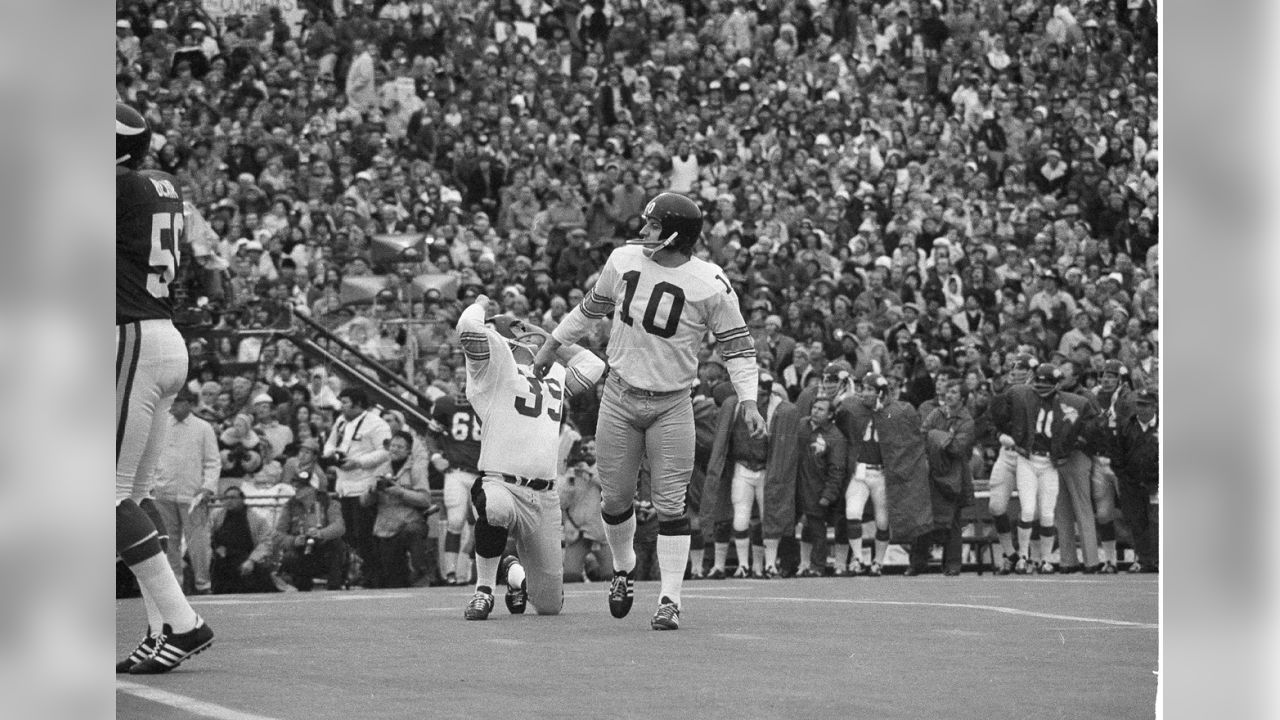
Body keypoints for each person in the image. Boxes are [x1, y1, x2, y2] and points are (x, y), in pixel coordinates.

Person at [532, 192, 765, 631]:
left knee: (671, 504)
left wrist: (749, 400)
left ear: (676, 233)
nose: (643, 233)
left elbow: (738, 348)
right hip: (619, 396)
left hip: (672, 402)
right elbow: (589, 310)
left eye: (654, 226)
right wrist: (550, 345)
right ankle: (623, 568)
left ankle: (670, 599)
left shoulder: (711, 282)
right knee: (615, 498)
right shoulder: (623, 261)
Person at [115, 102, 214, 674]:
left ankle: (182, 620)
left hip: (131, 336)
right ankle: (161, 632)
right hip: (162, 335)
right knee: (134, 494)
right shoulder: (159, 184)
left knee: (102, 495)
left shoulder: (119, 187)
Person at [455, 295, 605, 620]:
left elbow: (594, 366)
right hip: (501, 484)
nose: (523, 332)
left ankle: (513, 574)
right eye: (516, 329)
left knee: (550, 605)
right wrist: (482, 303)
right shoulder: (492, 374)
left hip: (545, 495)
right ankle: (483, 590)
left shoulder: (552, 373)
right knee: (494, 509)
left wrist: (552, 342)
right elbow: (468, 327)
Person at [990, 364, 1097, 574]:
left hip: (1049, 462)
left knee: (1047, 514)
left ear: (1056, 384)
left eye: (1046, 382)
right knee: (1028, 510)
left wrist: (1072, 445)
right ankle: (1022, 556)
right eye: (1038, 381)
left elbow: (1090, 419)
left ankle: (1046, 560)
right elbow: (998, 414)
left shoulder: (1069, 402)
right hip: (1027, 458)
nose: (1041, 386)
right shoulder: (1022, 395)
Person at [703, 371, 800, 578]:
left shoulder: (779, 410)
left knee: (769, 516)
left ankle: (770, 564)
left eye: (764, 394)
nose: (761, 398)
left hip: (766, 468)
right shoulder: (736, 405)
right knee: (740, 517)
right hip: (743, 466)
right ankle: (743, 565)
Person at [836, 372, 933, 576]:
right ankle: (858, 559)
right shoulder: (853, 407)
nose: (865, 393)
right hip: (860, 471)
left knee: (882, 521)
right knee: (852, 513)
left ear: (881, 392)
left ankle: (878, 562)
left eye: (870, 390)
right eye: (864, 389)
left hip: (881, 473)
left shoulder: (898, 411)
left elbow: (910, 441)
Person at [151, 386, 222, 595]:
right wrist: (153, 484)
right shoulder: (161, 425)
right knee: (168, 543)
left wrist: (208, 487)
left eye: (178, 402)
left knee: (198, 542)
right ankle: (175, 587)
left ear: (188, 404)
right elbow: (153, 456)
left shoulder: (203, 428)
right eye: (171, 401)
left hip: (193, 495)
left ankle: (203, 584)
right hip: (164, 491)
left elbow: (213, 461)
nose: (173, 406)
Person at [322, 387, 391, 587]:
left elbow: (384, 452)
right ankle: (362, 572)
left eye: (345, 402)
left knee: (365, 534)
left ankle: (374, 576)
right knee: (350, 534)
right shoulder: (341, 421)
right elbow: (329, 443)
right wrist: (332, 455)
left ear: (358, 403)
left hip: (364, 485)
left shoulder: (377, 424)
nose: (341, 406)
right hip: (343, 485)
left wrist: (359, 462)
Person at [911, 380, 977, 576]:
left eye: (954, 392)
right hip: (931, 472)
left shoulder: (967, 421)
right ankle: (917, 562)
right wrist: (941, 438)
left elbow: (958, 448)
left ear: (962, 398)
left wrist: (937, 437)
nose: (949, 395)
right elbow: (922, 434)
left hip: (954, 474)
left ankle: (952, 564)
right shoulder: (936, 413)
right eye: (948, 391)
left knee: (953, 520)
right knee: (924, 518)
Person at [426, 375, 483, 585]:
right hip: (456, 471)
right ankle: (450, 573)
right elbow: (431, 435)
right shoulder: (445, 405)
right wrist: (435, 456)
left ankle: (468, 571)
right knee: (456, 520)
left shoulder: (492, 404)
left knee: (483, 525)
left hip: (483, 474)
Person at [361, 431, 436, 588]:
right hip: (385, 527)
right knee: (392, 578)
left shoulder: (416, 469)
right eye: (393, 445)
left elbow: (425, 499)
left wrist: (401, 492)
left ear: (409, 450)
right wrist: (372, 491)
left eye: (400, 447)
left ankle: (421, 572)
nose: (394, 449)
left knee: (413, 531)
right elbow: (364, 502)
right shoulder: (381, 469)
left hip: (409, 522)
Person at [984, 353, 1037, 573]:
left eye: (1022, 371)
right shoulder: (1003, 395)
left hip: (1031, 456)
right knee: (995, 506)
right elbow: (989, 422)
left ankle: (1026, 555)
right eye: (1014, 371)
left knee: (1030, 509)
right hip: (1007, 455)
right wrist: (998, 436)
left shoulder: (1040, 396)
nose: (1016, 375)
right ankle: (1010, 553)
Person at [793, 394, 849, 577]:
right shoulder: (801, 425)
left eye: (821, 409)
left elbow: (837, 469)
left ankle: (818, 566)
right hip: (796, 485)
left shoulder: (835, 437)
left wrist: (828, 495)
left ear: (831, 415)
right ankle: (800, 563)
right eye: (814, 407)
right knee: (798, 527)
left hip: (816, 488)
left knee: (817, 528)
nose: (815, 412)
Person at [1114, 389, 1159, 573]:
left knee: (1156, 521)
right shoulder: (1126, 426)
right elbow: (1117, 455)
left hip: (1157, 484)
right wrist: (1126, 477)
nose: (1141, 408)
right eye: (1139, 404)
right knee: (1136, 522)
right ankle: (1143, 559)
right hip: (1132, 483)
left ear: (1155, 406)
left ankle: (1158, 559)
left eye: (1145, 404)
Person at [276, 474, 348, 591]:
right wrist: (293, 541)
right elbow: (278, 535)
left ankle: (335, 587)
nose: (297, 488)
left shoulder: (329, 503)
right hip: (301, 549)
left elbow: (339, 526)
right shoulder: (289, 506)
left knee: (337, 545)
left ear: (313, 488)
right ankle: (301, 587)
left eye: (302, 486)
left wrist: (321, 533)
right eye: (295, 485)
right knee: (290, 557)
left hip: (324, 547)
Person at [559, 436, 613, 582]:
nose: (588, 452)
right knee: (570, 576)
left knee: (612, 575)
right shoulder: (573, 472)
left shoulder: (605, 468)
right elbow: (562, 503)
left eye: (592, 448)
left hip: (601, 532)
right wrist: (569, 481)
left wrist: (589, 473)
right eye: (585, 449)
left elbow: (611, 489)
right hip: (578, 531)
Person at [209, 486, 280, 594]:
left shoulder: (257, 519)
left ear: (242, 499)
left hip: (246, 559)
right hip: (221, 560)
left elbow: (265, 542)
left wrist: (251, 560)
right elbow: (207, 536)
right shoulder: (216, 516)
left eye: (233, 498)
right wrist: (216, 548)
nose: (229, 501)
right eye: (226, 498)